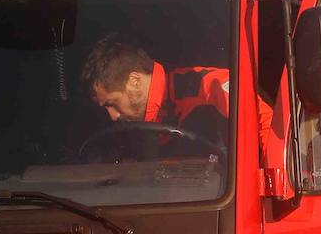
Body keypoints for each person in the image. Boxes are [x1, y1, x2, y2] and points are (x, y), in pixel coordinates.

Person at [81, 35, 229, 153]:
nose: (112, 116)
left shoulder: (210, 90)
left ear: (134, 81)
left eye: (111, 103)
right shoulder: (135, 128)